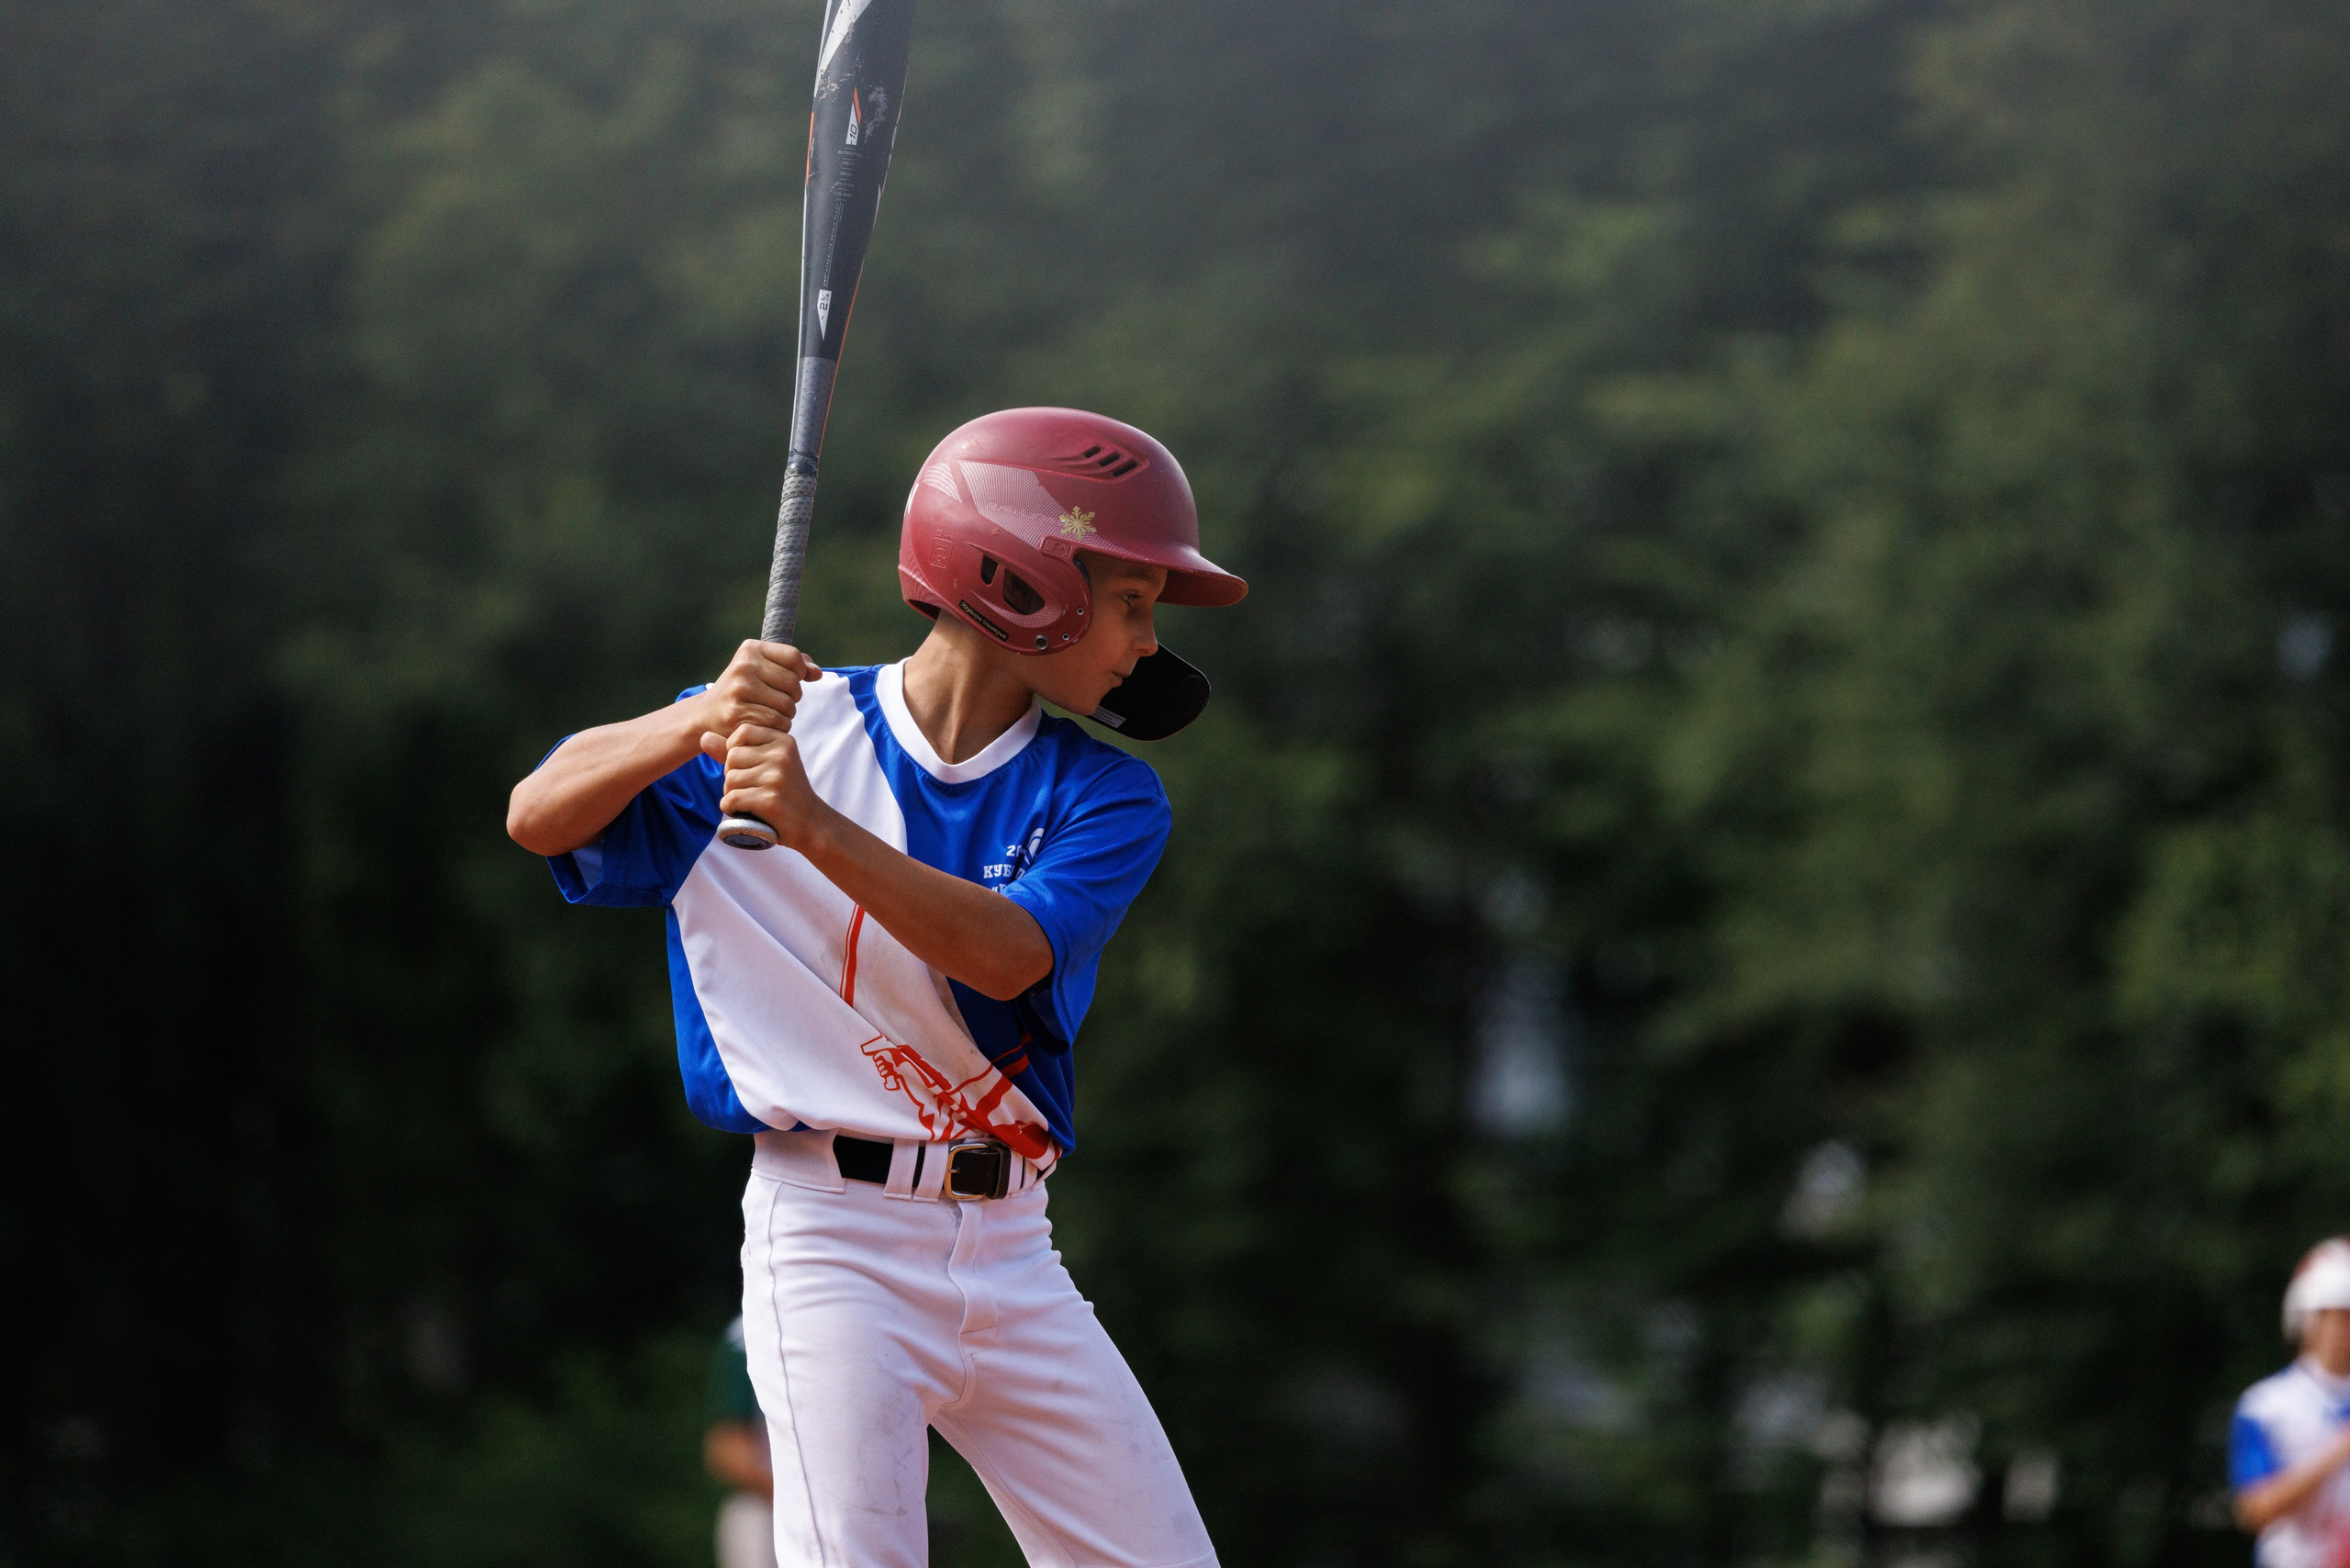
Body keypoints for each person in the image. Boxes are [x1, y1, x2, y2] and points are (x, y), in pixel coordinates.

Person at [508, 408, 1243, 1568]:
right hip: (832, 1237)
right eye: (1133, 600)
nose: (1147, 644)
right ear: (1022, 581)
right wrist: (696, 718)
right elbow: (537, 814)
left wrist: (806, 821)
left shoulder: (1104, 793)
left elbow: (1005, 953)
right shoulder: (771, 733)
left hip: (1012, 1244)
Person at [2232, 1238, 2350, 1567]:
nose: (2343, 1330)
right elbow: (2254, 1509)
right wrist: (2338, 1452)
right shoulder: (2266, 1406)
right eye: (2336, 1315)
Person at [706, 1316, 778, 1568]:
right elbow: (728, 1449)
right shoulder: (748, 1334)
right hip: (766, 1507)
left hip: (835, 1511)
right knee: (748, 1518)